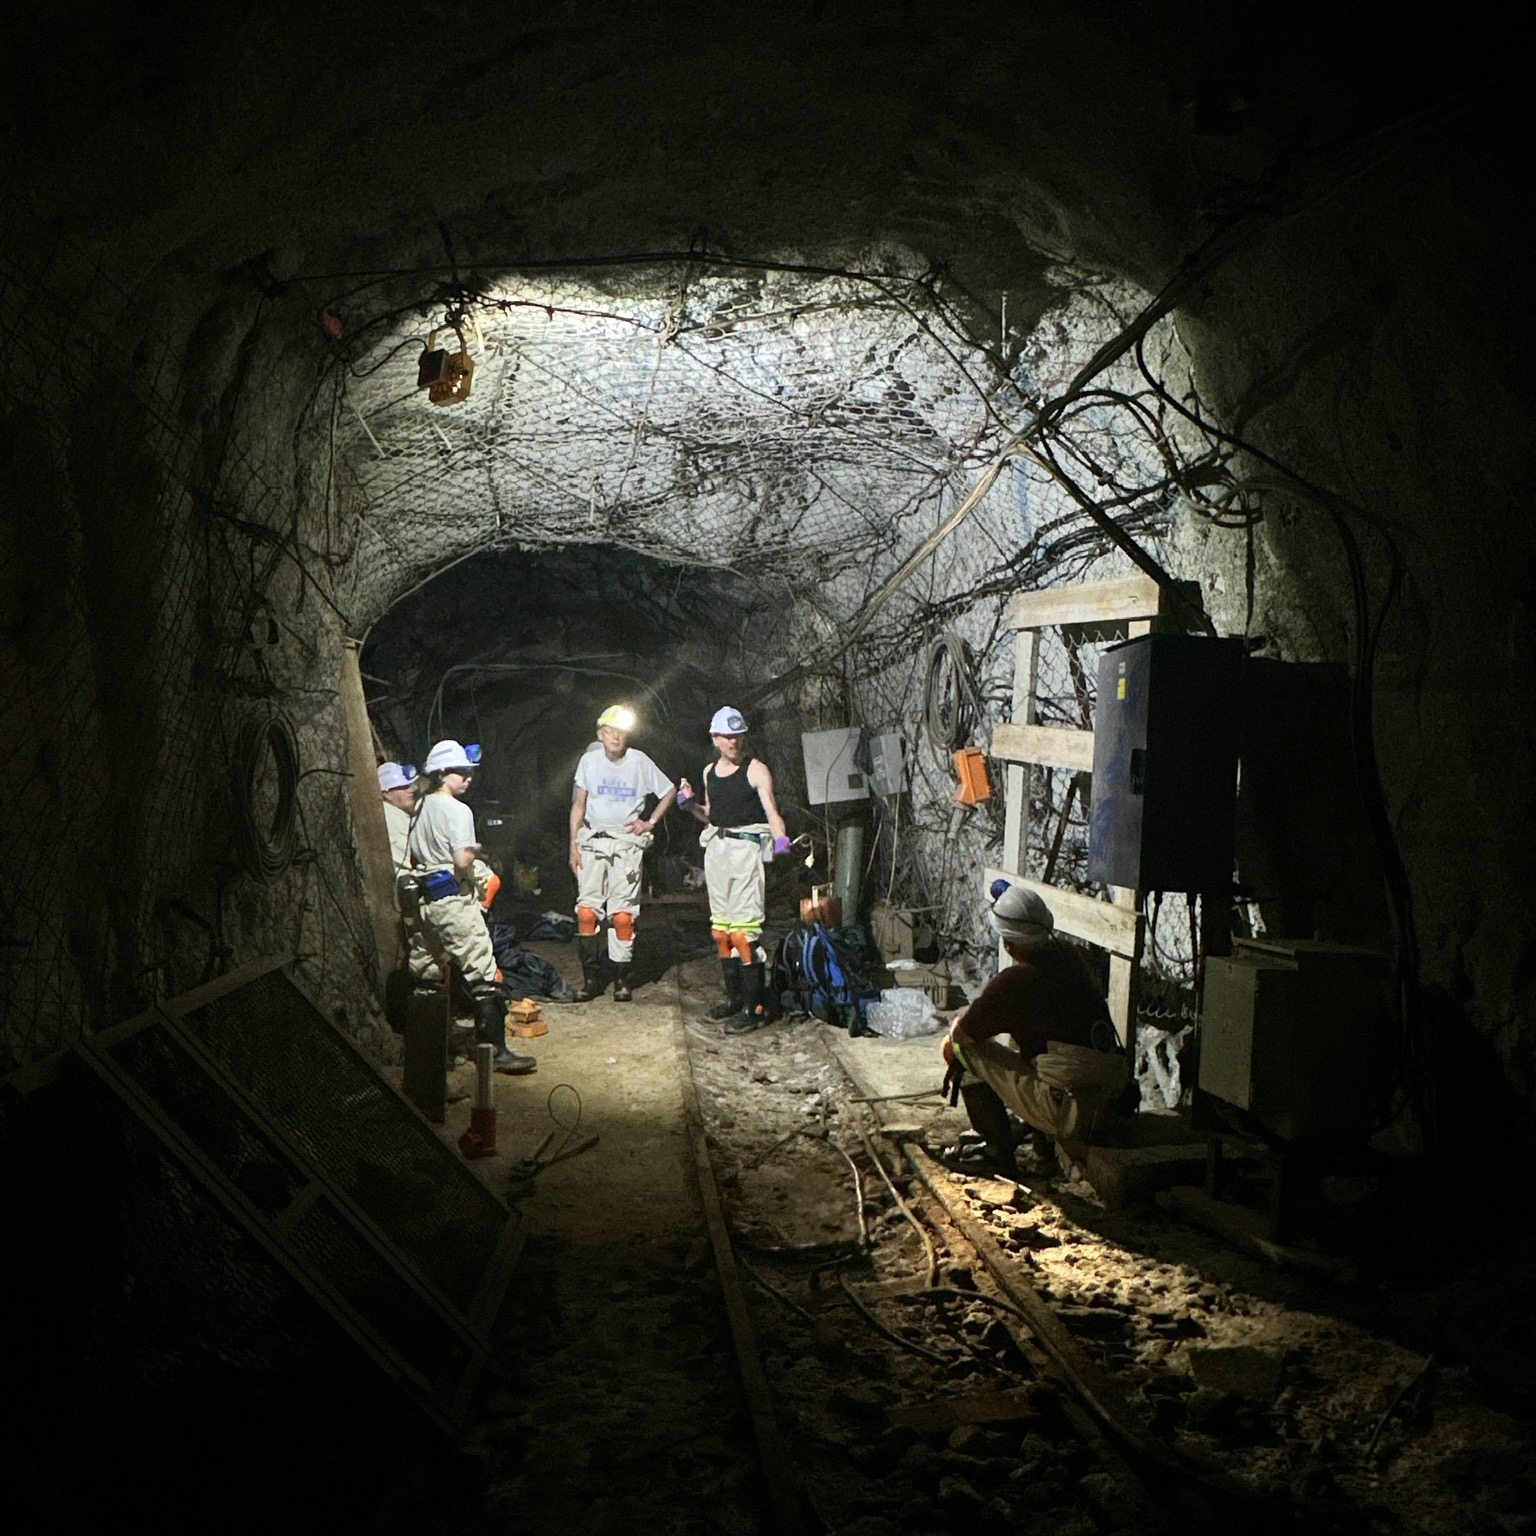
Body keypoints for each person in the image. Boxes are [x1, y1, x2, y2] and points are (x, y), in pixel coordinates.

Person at [940, 882, 1130, 1173]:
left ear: (1008, 944)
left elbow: (964, 1034)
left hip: (1068, 1109)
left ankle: (996, 1151)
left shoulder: (1013, 983)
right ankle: (1037, 1140)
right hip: (1113, 1100)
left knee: (960, 1050)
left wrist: (954, 1029)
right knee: (1034, 1044)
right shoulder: (1072, 958)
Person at [407, 739, 535, 1075]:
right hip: (452, 899)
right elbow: (462, 859)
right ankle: (495, 1052)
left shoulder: (419, 806)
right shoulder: (458, 810)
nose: (469, 777)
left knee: (428, 974)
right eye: (462, 772)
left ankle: (432, 1050)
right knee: (486, 975)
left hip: (423, 901)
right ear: (443, 774)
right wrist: (479, 850)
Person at [677, 706, 791, 1035]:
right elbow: (712, 814)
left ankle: (754, 1007)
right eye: (727, 736)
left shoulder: (756, 770)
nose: (734, 742)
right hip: (718, 849)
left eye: (738, 736)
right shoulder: (709, 771)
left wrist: (781, 838)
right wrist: (690, 806)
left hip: (744, 850)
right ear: (715, 738)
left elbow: (771, 809)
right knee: (722, 933)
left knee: (743, 934)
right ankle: (735, 999)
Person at [569, 705, 677, 1002]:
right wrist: (573, 844)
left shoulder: (639, 761)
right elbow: (579, 804)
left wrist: (650, 822)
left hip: (626, 844)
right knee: (587, 912)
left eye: (622, 733)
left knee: (622, 917)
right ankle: (591, 980)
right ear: (601, 735)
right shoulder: (589, 762)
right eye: (611, 732)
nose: (617, 737)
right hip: (592, 841)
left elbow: (668, 791)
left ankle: (621, 979)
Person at [377, 761, 418, 874]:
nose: (410, 790)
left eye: (409, 786)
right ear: (387, 793)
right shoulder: (393, 817)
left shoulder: (394, 813)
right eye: (403, 787)